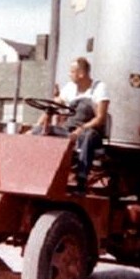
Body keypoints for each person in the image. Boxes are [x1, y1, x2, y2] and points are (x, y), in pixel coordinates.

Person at [35, 57, 109, 195]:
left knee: (88, 136)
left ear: (81, 74)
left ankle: (81, 181)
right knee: (41, 131)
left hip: (90, 131)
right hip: (69, 131)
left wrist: (81, 129)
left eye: (72, 71)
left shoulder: (99, 88)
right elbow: (53, 105)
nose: (69, 74)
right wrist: (37, 126)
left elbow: (100, 118)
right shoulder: (70, 88)